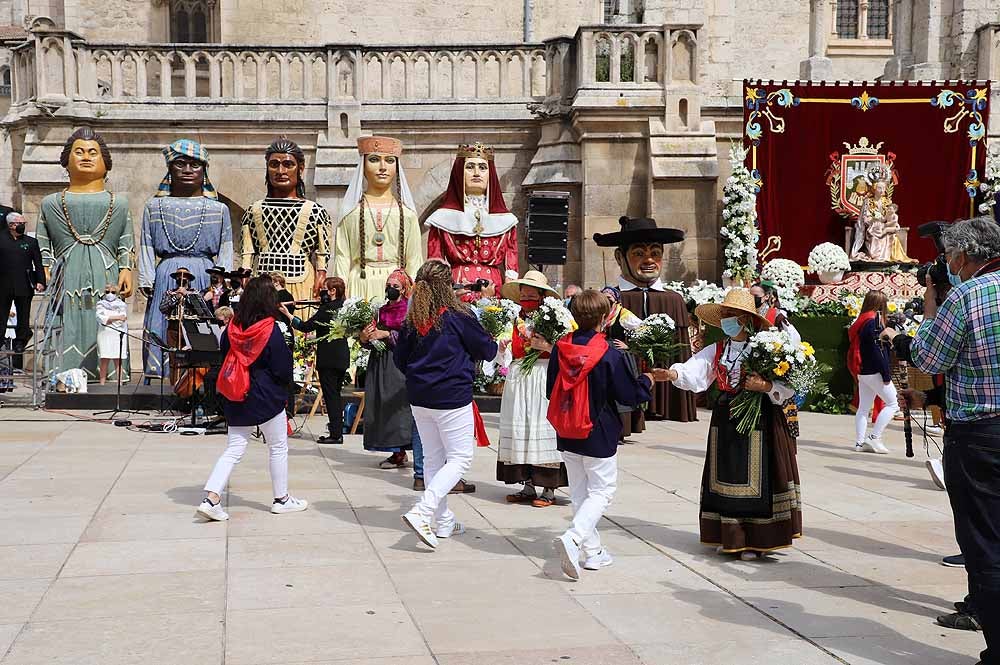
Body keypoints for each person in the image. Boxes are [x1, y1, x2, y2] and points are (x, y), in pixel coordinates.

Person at [891, 217, 1000, 665]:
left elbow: (930, 354)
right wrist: (934, 395)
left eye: (951, 257)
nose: (949, 264)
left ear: (964, 256)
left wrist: (900, 340)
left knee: (988, 545)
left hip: (981, 438)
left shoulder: (967, 294)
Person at [661, 288, 802, 560]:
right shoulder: (719, 349)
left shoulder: (765, 348)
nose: (726, 320)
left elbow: (787, 387)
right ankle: (728, 534)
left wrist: (765, 385)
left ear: (746, 320)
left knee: (756, 478)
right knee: (725, 474)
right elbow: (696, 369)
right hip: (725, 417)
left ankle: (754, 539)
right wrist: (673, 373)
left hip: (758, 418)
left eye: (732, 315)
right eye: (724, 315)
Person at [547, 289, 658, 580]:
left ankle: (593, 553)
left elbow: (550, 391)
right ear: (605, 317)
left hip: (567, 427)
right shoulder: (609, 353)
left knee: (580, 492)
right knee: (602, 491)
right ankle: (573, 538)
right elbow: (628, 395)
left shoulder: (560, 348)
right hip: (598, 429)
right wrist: (646, 381)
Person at [394, 260, 498, 548]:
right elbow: (487, 350)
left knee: (433, 458)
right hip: (450, 396)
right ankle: (423, 511)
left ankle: (443, 522)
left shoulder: (412, 319)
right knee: (460, 458)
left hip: (419, 396)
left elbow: (399, 360)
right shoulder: (457, 316)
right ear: (446, 285)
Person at [197, 275, 307, 521]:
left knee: (234, 448)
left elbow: (224, 354)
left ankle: (211, 498)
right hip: (266, 396)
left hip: (237, 393)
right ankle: (281, 499)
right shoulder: (270, 328)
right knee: (277, 447)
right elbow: (281, 368)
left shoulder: (232, 327)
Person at [37, 128, 135, 379]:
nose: (86, 157)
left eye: (93, 152)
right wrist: (45, 267)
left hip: (106, 272)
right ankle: (63, 374)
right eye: (79, 152)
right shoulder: (50, 203)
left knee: (106, 319)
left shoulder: (120, 203)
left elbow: (126, 239)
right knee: (67, 317)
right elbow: (43, 241)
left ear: (105, 162)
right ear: (67, 160)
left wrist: (126, 268)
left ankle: (109, 374)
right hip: (66, 272)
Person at [138, 139, 232, 380]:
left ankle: (203, 377)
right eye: (180, 164)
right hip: (166, 275)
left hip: (205, 275)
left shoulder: (218, 209)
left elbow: (225, 247)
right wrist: (147, 277)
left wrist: (222, 283)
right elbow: (146, 244)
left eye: (195, 164)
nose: (188, 170)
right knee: (162, 323)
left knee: (202, 327)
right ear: (170, 169)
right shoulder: (153, 206)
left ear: (204, 170)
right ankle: (161, 374)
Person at [593, 215, 695, 425]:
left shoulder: (673, 299)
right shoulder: (609, 299)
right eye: (639, 253)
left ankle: (663, 405)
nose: (649, 260)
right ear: (620, 257)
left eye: (655, 253)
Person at [496, 270, 567, 507]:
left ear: (541, 296)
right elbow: (508, 350)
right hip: (520, 379)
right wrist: (503, 346)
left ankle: (548, 488)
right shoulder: (516, 319)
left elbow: (566, 349)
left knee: (542, 427)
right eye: (523, 294)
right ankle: (527, 485)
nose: (526, 298)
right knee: (522, 429)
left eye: (531, 294)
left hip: (543, 375)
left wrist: (546, 345)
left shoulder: (556, 318)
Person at [335, 136, 424, 301]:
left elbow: (414, 260)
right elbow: (342, 256)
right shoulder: (351, 212)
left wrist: (411, 297)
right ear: (363, 165)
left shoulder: (407, 214)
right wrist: (340, 295)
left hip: (397, 288)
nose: (383, 167)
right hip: (359, 285)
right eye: (375, 160)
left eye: (390, 161)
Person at [241, 138, 331, 300]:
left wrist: (321, 273)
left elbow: (322, 251)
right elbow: (248, 250)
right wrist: (245, 273)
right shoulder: (253, 210)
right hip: (263, 282)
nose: (281, 171)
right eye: (274, 164)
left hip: (302, 282)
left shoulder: (315, 211)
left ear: (300, 168)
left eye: (288, 165)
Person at [424, 142, 519, 289]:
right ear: (459, 173)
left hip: (494, 290)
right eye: (470, 167)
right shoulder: (442, 218)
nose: (476, 173)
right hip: (456, 289)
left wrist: (510, 301)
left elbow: (511, 267)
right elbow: (435, 265)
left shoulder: (505, 220)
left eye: (482, 168)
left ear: (490, 174)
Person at [283, 277, 349, 445]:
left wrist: (288, 314)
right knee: (336, 395)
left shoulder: (327, 309)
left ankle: (335, 434)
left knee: (331, 396)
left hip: (329, 359)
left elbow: (305, 326)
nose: (322, 292)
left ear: (332, 291)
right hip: (342, 357)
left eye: (325, 288)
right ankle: (336, 430)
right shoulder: (345, 307)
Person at [848, 290, 897, 454]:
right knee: (893, 404)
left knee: (863, 408)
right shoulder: (873, 322)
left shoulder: (862, 320)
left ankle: (859, 443)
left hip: (863, 370)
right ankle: (875, 437)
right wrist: (886, 374)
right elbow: (879, 351)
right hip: (875, 371)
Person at [0, 211, 45, 365]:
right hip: (4, 285)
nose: (23, 226)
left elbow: (38, 263)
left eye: (24, 224)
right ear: (12, 225)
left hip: (24, 284)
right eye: (21, 223)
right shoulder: (1, 239)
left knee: (23, 315)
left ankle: (21, 341)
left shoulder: (31, 242)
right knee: (2, 315)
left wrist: (41, 281)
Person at [599, 286, 643, 441]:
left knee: (620, 393)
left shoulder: (623, 314)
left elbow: (644, 330)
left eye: (609, 298)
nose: (606, 300)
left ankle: (620, 432)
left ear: (616, 299)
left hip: (619, 357)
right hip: (601, 355)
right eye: (603, 297)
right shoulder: (599, 314)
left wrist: (629, 346)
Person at [750, 281, 801, 346]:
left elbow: (794, 336)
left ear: (766, 297)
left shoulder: (775, 314)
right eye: (750, 295)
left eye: (756, 296)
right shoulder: (746, 313)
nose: (752, 298)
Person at [95, 285, 128, 385]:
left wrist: (109, 318)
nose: (110, 294)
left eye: (113, 292)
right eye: (107, 292)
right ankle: (102, 383)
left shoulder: (121, 305)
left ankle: (119, 383)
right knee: (104, 358)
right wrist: (116, 317)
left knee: (118, 359)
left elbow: (123, 318)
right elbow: (100, 318)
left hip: (117, 333)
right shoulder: (100, 304)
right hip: (104, 333)